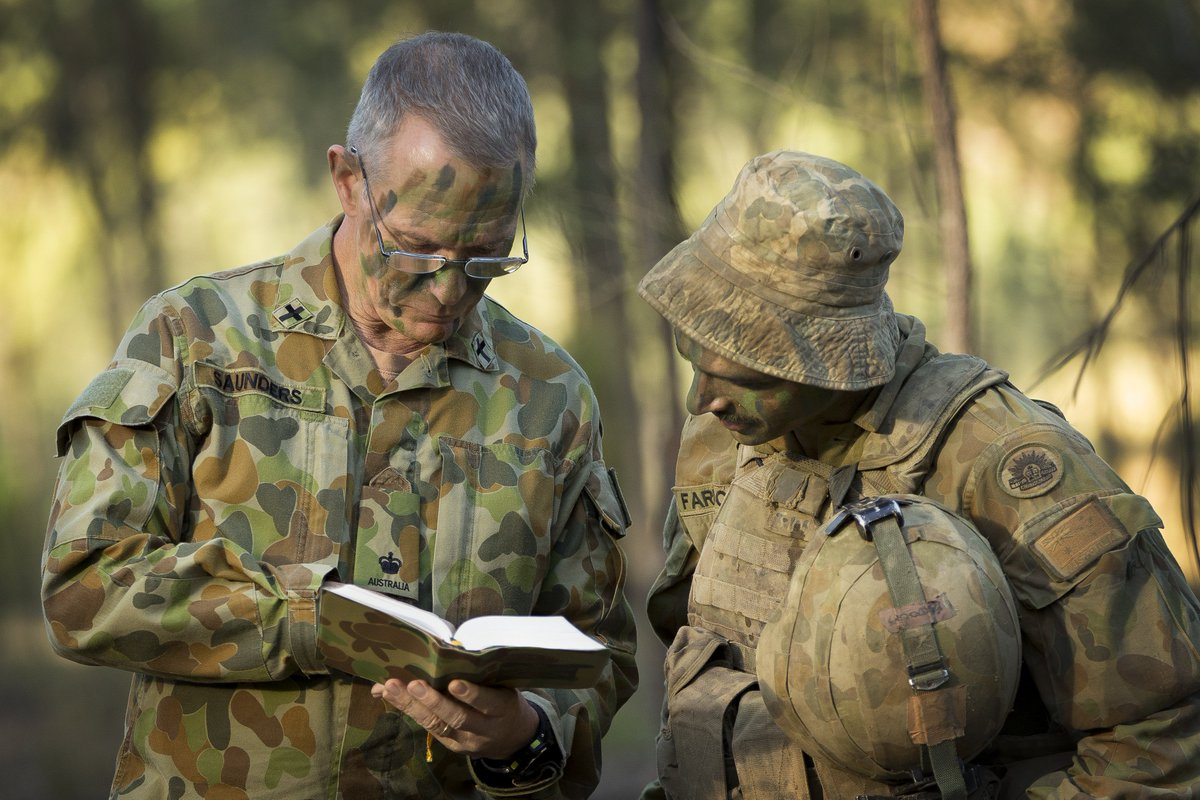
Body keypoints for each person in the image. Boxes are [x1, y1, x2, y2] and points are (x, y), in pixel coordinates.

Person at [41, 31, 637, 799]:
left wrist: (522, 733)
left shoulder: (550, 395)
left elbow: (601, 655)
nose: (450, 292)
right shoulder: (197, 340)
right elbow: (81, 586)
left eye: (486, 258)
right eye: (419, 251)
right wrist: (303, 618)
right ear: (348, 180)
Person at [636, 149, 1200, 798]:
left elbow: (1161, 740)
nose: (701, 400)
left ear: (824, 360)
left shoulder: (1001, 461)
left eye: (746, 371)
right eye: (693, 354)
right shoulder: (726, 433)